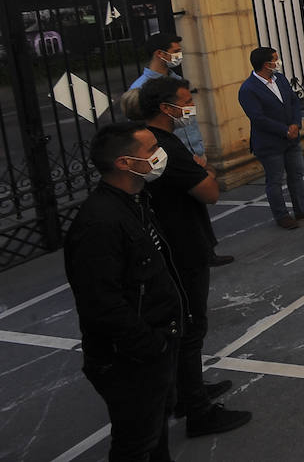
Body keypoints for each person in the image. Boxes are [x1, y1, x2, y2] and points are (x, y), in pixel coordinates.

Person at [138, 77, 251, 438]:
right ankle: (196, 411)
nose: (190, 108)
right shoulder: (163, 146)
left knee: (184, 326)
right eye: (186, 102)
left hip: (175, 243)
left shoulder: (153, 141)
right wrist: (206, 171)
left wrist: (200, 171)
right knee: (189, 326)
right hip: (181, 247)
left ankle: (189, 390)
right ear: (165, 107)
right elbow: (210, 192)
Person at [65, 122, 184, 462]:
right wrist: (151, 345)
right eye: (150, 150)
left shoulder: (135, 201)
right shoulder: (99, 224)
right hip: (130, 358)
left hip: (155, 344)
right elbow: (101, 303)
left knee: (156, 427)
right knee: (136, 441)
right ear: (124, 162)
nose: (159, 154)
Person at [123, 31, 231, 266]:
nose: (179, 56)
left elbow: (188, 121)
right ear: (159, 54)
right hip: (171, 158)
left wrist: (199, 152)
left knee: (196, 206)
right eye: (174, 52)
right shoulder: (142, 88)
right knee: (179, 210)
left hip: (192, 153)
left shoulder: (175, 80)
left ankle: (207, 250)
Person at [237, 46, 304, 230]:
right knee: (275, 180)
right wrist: (284, 130)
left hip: (291, 138)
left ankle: (301, 208)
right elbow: (258, 118)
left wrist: (295, 124)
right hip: (270, 143)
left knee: (296, 174)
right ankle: (281, 215)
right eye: (275, 60)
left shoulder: (280, 79)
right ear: (265, 64)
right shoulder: (248, 89)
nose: (278, 63)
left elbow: (293, 101)